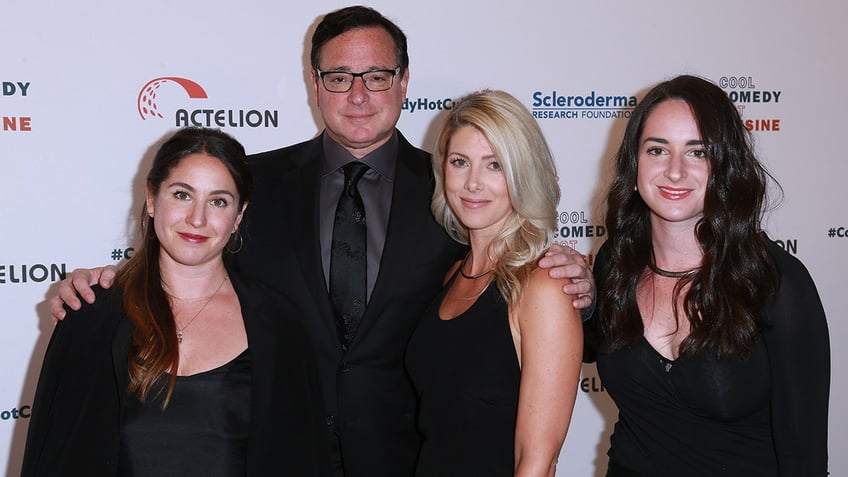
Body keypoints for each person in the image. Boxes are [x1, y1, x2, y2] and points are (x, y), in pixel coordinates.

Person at [48, 7, 595, 477]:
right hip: (279, 450)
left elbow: (507, 312)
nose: (358, 94)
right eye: (338, 77)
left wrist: (579, 284)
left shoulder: (454, 192)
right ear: (314, 85)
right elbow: (191, 261)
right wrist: (104, 285)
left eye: (377, 76)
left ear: (404, 83)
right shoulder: (248, 187)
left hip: (409, 461)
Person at [24, 127, 329, 476]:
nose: (197, 219)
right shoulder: (91, 315)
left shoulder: (280, 326)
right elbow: (54, 459)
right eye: (182, 195)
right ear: (152, 200)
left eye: (218, 201)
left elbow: (302, 459)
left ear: (238, 217)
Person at [584, 75, 830, 476]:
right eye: (657, 149)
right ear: (635, 162)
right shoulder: (617, 262)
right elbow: (586, 347)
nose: (675, 171)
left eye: (697, 152)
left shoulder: (777, 282)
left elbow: (804, 459)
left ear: (725, 164)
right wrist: (574, 296)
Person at [406, 90, 583, 476]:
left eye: (494, 165)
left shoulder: (543, 287)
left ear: (523, 172)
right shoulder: (454, 275)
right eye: (460, 162)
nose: (472, 183)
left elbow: (538, 460)